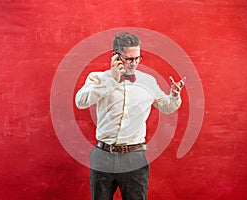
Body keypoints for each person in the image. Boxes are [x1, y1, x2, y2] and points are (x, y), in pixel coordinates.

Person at [75, 32, 185, 200]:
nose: (134, 63)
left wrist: (174, 95)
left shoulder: (148, 81)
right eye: (129, 59)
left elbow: (166, 106)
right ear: (116, 57)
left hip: (134, 157)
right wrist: (111, 80)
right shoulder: (98, 78)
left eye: (138, 58)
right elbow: (81, 102)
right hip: (103, 155)